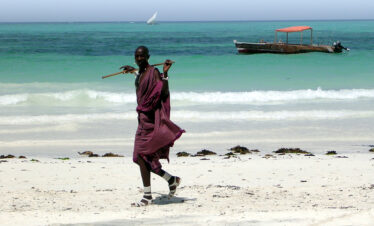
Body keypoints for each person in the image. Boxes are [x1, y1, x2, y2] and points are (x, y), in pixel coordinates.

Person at [120, 46, 185, 207]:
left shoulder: (154, 72)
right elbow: (142, 81)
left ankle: (147, 196)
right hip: (142, 120)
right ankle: (171, 180)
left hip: (151, 121)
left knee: (142, 156)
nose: (139, 58)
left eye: (142, 56)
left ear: (148, 56)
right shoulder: (141, 73)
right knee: (144, 157)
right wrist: (132, 71)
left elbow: (162, 92)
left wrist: (166, 73)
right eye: (136, 56)